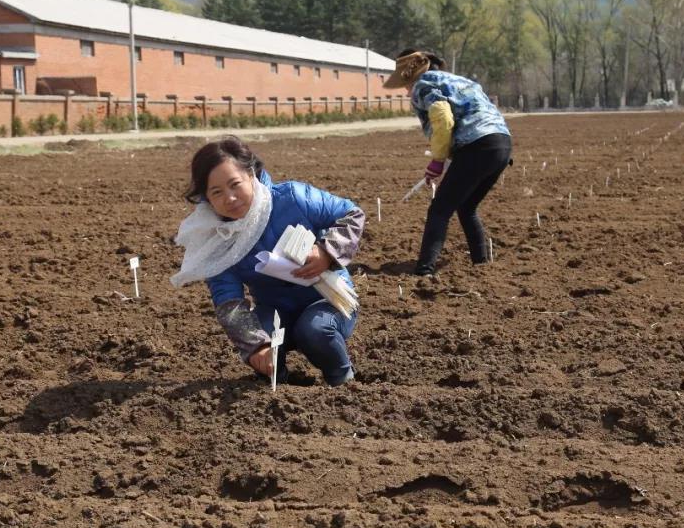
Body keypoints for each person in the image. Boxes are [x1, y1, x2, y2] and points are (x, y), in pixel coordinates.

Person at [170, 136, 364, 386]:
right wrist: (256, 346)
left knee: (314, 330)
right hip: (275, 309)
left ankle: (343, 380)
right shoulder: (217, 241)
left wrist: (327, 253)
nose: (230, 198)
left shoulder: (293, 198)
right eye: (217, 192)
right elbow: (229, 303)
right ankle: (277, 385)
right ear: (206, 198)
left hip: (329, 299)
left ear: (251, 174)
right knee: (262, 342)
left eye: (235, 184)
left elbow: (351, 214)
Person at [383, 49, 512, 276]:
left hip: (477, 146)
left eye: (404, 85)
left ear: (410, 77)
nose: (406, 90)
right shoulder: (459, 81)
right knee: (466, 207)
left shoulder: (423, 85)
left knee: (439, 210)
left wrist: (437, 161)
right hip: (501, 144)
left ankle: (424, 270)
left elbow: (443, 119)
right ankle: (481, 264)